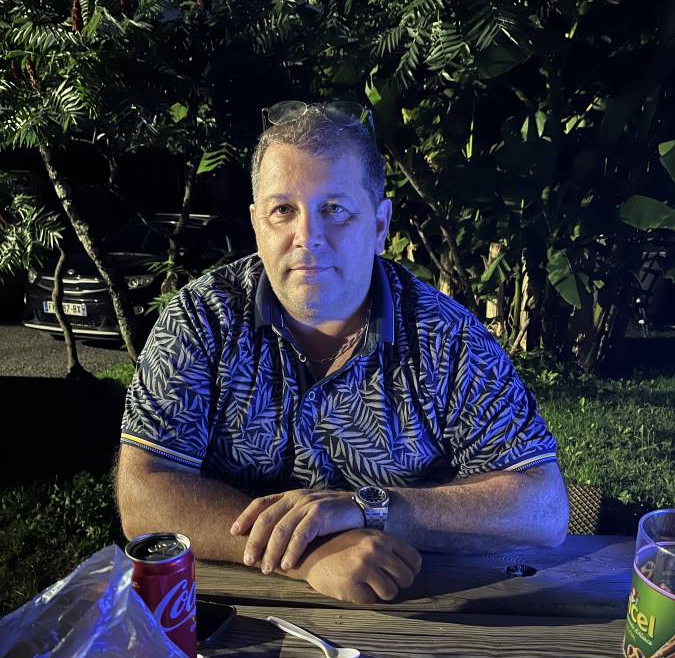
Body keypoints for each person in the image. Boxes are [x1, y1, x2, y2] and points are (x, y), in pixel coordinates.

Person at [116, 100, 569, 604]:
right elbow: (144, 495)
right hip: (229, 616)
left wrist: (370, 509)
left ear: (379, 226)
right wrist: (311, 555)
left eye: (334, 210)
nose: (307, 238)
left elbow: (543, 507)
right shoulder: (202, 320)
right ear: (257, 225)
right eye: (283, 210)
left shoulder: (448, 339)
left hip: (413, 612)